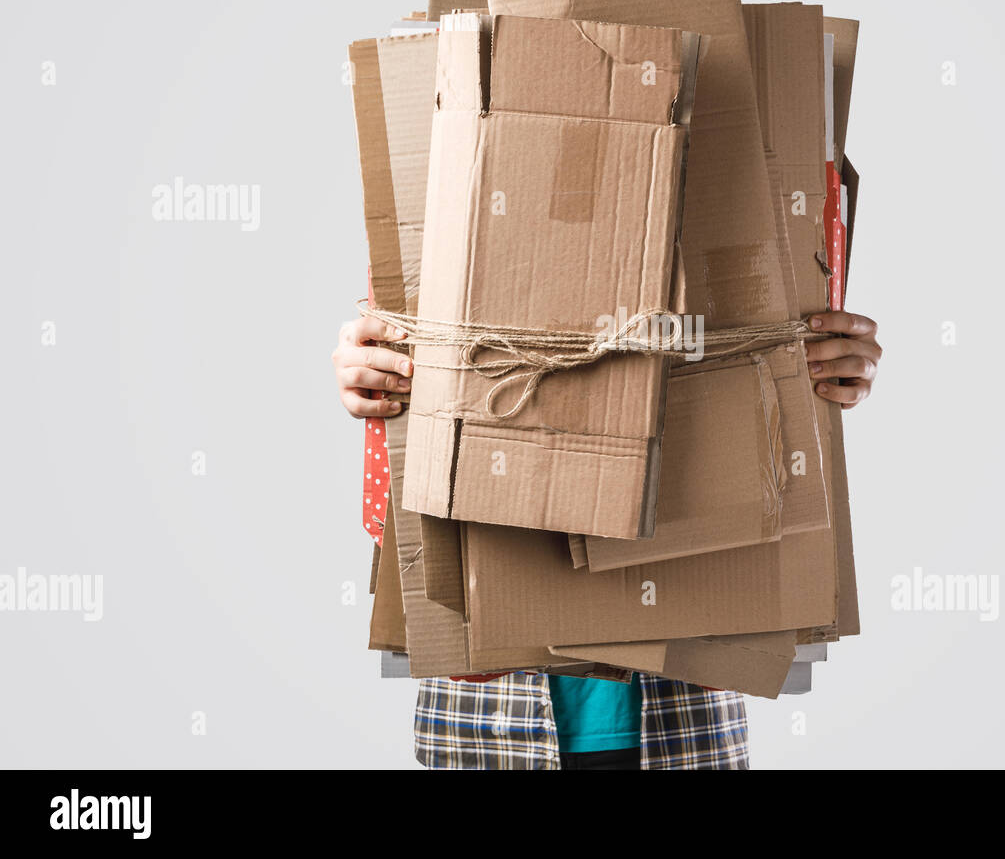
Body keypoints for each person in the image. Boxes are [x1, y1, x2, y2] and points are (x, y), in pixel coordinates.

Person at [333, 309, 881, 769]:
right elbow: (408, 317)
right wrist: (369, 363)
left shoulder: (708, 194)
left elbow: (760, 318)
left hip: (683, 713)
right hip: (487, 713)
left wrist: (823, 361)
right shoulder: (461, 203)